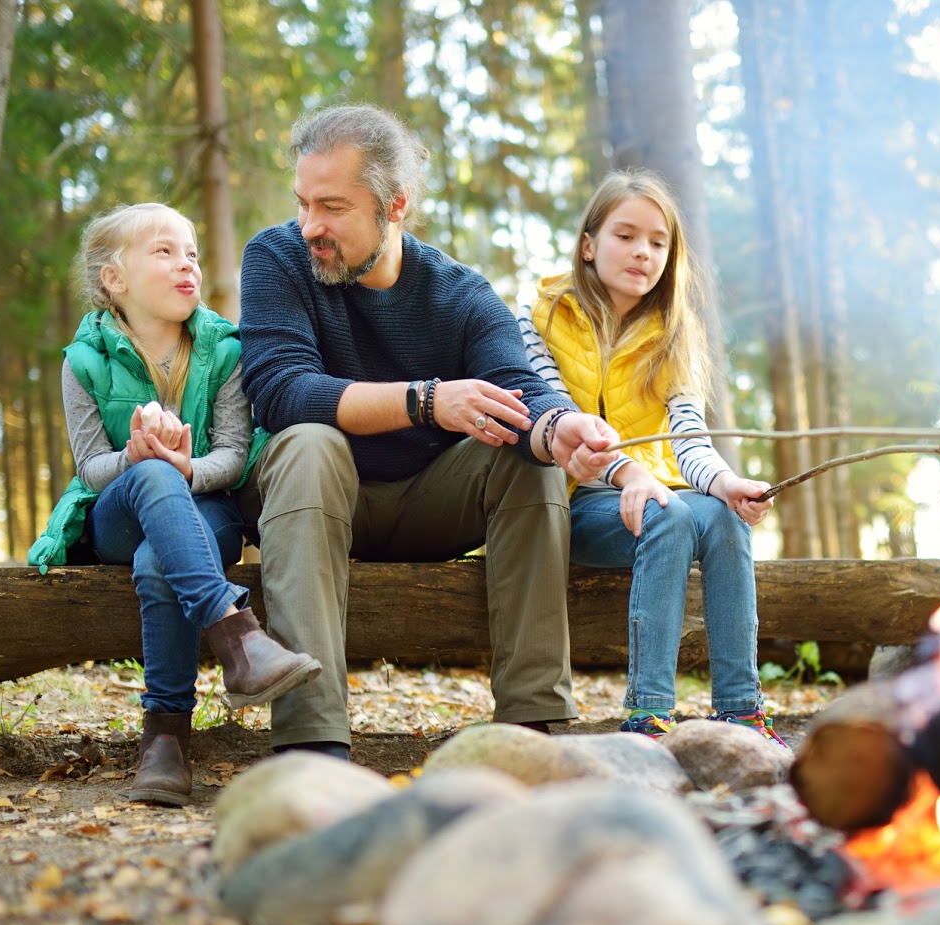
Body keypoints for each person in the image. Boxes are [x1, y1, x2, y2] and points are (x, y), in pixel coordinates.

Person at [237, 104, 619, 760]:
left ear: (396, 205)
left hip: (428, 502)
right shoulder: (276, 258)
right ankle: (312, 743)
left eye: (332, 207)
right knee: (306, 439)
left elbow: (522, 390)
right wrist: (426, 401)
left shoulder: (460, 292)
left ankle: (534, 732)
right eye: (303, 203)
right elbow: (280, 392)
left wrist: (563, 426)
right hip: (312, 495)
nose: (310, 227)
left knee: (530, 456)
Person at [28, 203, 322, 807]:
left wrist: (187, 467)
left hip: (206, 509)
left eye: (190, 251)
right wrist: (140, 459)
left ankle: (165, 739)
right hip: (117, 514)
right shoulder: (83, 362)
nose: (185, 263)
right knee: (153, 475)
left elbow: (235, 457)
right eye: (163, 252)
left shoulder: (226, 352)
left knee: (159, 562)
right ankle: (238, 637)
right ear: (115, 278)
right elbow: (90, 467)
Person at [520, 170, 785, 746]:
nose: (643, 251)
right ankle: (650, 715)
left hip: (650, 496)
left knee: (720, 515)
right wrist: (630, 473)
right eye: (625, 235)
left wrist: (727, 485)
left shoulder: (674, 333)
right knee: (668, 513)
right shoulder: (539, 317)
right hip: (562, 502)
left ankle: (741, 709)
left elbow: (688, 438)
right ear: (588, 245)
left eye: (658, 242)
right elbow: (564, 426)